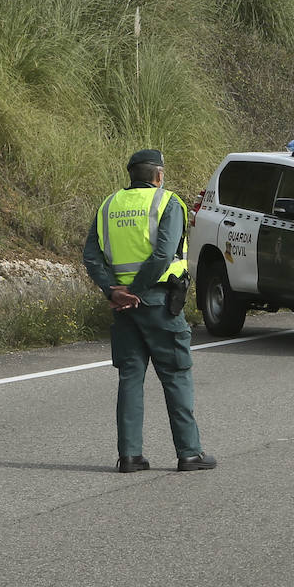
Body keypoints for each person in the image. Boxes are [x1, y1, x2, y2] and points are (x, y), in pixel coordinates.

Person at [82, 149, 215, 473]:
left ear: (132, 175)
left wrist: (113, 291)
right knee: (176, 375)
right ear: (158, 175)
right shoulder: (167, 202)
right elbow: (162, 255)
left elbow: (91, 255)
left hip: (123, 307)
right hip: (157, 303)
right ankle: (189, 453)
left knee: (130, 378)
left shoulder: (108, 205)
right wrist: (136, 293)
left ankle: (129, 456)